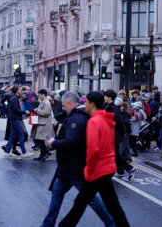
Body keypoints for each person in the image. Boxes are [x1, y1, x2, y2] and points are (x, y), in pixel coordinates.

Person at [59, 91, 130, 227]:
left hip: (98, 170)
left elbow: (93, 149)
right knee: (89, 203)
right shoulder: (105, 119)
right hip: (106, 167)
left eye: (85, 102)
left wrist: (88, 170)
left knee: (85, 203)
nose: (84, 104)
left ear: (92, 104)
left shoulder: (94, 122)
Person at [43, 91, 114, 227]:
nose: (63, 108)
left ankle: (111, 223)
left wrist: (54, 143)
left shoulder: (77, 118)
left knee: (91, 199)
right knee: (56, 193)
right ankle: (48, 224)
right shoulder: (77, 116)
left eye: (63, 105)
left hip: (75, 168)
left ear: (69, 103)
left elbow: (71, 141)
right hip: (66, 168)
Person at [104, 89, 137, 179]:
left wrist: (123, 133)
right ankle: (124, 170)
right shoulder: (109, 106)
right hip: (111, 134)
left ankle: (129, 168)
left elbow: (120, 122)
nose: (104, 98)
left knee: (114, 154)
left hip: (114, 135)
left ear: (109, 97)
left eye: (105, 96)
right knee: (115, 154)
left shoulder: (114, 108)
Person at [2, 85, 32, 157]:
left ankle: (8, 151)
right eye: (19, 89)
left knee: (12, 135)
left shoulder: (13, 97)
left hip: (14, 118)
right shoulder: (14, 98)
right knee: (21, 135)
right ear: (16, 90)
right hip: (15, 119)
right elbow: (16, 109)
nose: (21, 90)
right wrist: (25, 112)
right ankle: (24, 152)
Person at [30, 89, 52, 161]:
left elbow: (46, 112)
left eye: (39, 95)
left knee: (41, 139)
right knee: (40, 140)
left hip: (44, 123)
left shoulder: (47, 103)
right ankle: (42, 154)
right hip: (41, 123)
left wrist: (36, 110)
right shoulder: (43, 102)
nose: (39, 96)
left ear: (43, 94)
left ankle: (45, 153)